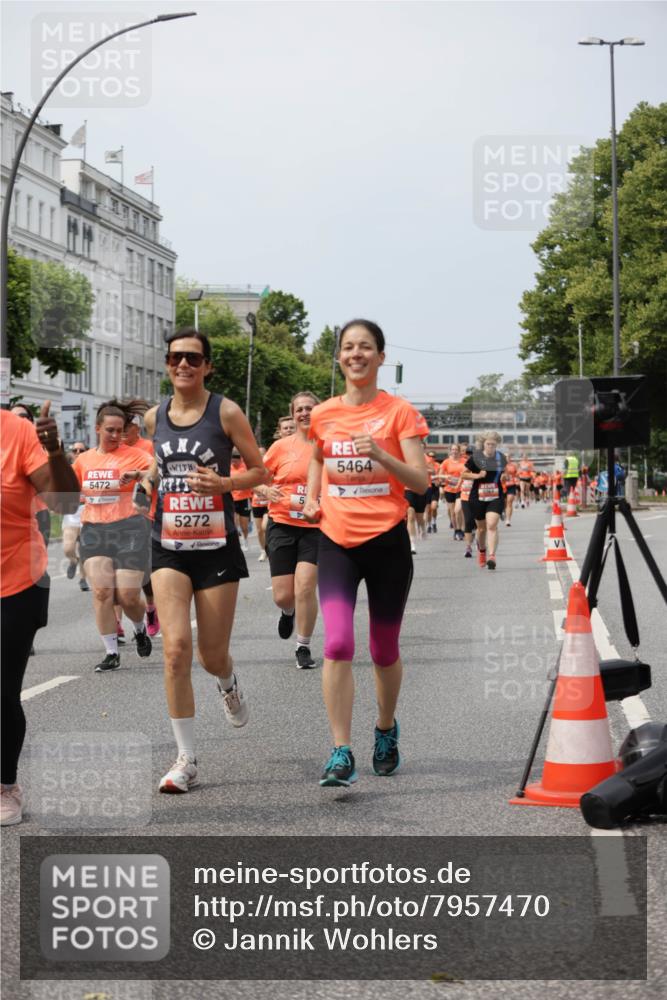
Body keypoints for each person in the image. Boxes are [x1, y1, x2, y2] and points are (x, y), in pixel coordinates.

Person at [304, 319, 429, 787]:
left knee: (382, 650)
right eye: (348, 347)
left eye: (366, 347)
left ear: (381, 357)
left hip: (387, 543)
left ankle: (384, 728)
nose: (356, 354)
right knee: (336, 643)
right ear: (339, 357)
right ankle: (340, 750)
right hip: (336, 542)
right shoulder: (324, 414)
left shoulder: (400, 413)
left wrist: (381, 454)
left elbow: (420, 481)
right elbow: (318, 456)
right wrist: (312, 498)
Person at [140, 328, 265, 794]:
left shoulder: (226, 411)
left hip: (216, 548)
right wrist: (146, 479)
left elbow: (259, 470)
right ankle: (186, 759)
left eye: (193, 358)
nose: (184, 365)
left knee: (211, 655)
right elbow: (160, 464)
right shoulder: (155, 417)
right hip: (168, 546)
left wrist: (225, 486)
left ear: (207, 365)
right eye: (176, 358)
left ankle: (228, 681)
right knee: (175, 651)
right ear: (167, 364)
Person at [1, 403, 80, 825]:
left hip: (14, 580)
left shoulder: (16, 432)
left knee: (1, 688)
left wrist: (54, 452)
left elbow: (65, 500)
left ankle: (5, 785)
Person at [72, 400, 153, 672]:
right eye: (110, 430)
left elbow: (162, 472)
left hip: (129, 527)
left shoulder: (136, 454)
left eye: (120, 430)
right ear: (97, 428)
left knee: (128, 595)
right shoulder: (83, 460)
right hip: (95, 529)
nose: (116, 436)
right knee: (102, 591)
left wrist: (138, 474)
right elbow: (70, 491)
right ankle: (111, 652)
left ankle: (140, 628)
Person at [262, 391, 321, 670]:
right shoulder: (280, 447)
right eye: (299, 409)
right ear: (293, 413)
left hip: (316, 527)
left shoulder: (328, 445)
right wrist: (264, 489)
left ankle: (303, 645)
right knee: (283, 595)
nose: (305, 413)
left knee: (306, 585)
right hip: (282, 523)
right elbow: (256, 477)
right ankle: (288, 611)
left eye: (310, 408)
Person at [122, 412, 160, 637]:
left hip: (146, 513)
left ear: (137, 428)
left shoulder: (147, 447)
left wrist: (139, 476)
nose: (123, 432)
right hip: (114, 519)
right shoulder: (108, 452)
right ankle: (115, 623)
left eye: (127, 427)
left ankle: (151, 607)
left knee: (145, 569)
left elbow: (160, 473)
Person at [463, 431, 507, 571]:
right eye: (488, 444)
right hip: (478, 496)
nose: (491, 447)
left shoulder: (501, 457)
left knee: (492, 525)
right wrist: (477, 475)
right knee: (481, 529)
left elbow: (502, 472)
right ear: (483, 444)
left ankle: (492, 556)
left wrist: (504, 477)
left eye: (493, 444)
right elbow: (463, 474)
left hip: (495, 495)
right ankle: (482, 551)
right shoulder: (476, 457)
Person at [63, 442, 90, 590]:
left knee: (84, 549)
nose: (78, 452)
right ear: (72, 453)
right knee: (68, 548)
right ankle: (73, 561)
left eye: (82, 450)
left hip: (87, 511)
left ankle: (83, 580)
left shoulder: (91, 467)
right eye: (75, 450)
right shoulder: (66, 471)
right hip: (72, 514)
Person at [439, 443, 466, 540]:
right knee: (452, 512)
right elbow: (439, 475)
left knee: (458, 510)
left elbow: (469, 473)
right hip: (449, 489)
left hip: (461, 489)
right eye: (453, 450)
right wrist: (446, 476)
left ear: (459, 451)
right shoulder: (446, 462)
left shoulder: (464, 461)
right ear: (450, 451)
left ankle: (462, 529)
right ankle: (456, 530)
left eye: (456, 450)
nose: (454, 451)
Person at [503, 454, 518, 527]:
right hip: (502, 486)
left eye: (508, 457)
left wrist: (516, 479)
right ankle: (503, 511)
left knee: (509, 502)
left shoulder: (513, 465)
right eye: (505, 457)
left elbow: (517, 474)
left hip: (511, 485)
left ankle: (508, 519)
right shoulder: (499, 465)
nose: (507, 458)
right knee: (504, 503)